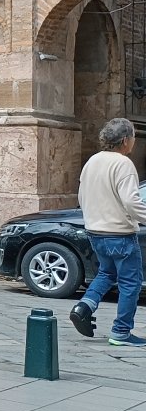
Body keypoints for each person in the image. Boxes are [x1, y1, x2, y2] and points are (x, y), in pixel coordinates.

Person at [69, 118, 146, 346]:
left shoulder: (92, 161)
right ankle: (121, 331)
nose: (134, 141)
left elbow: (82, 197)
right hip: (120, 234)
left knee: (106, 274)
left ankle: (84, 306)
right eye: (133, 137)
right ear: (125, 140)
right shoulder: (123, 164)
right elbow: (132, 202)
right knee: (130, 283)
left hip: (95, 232)